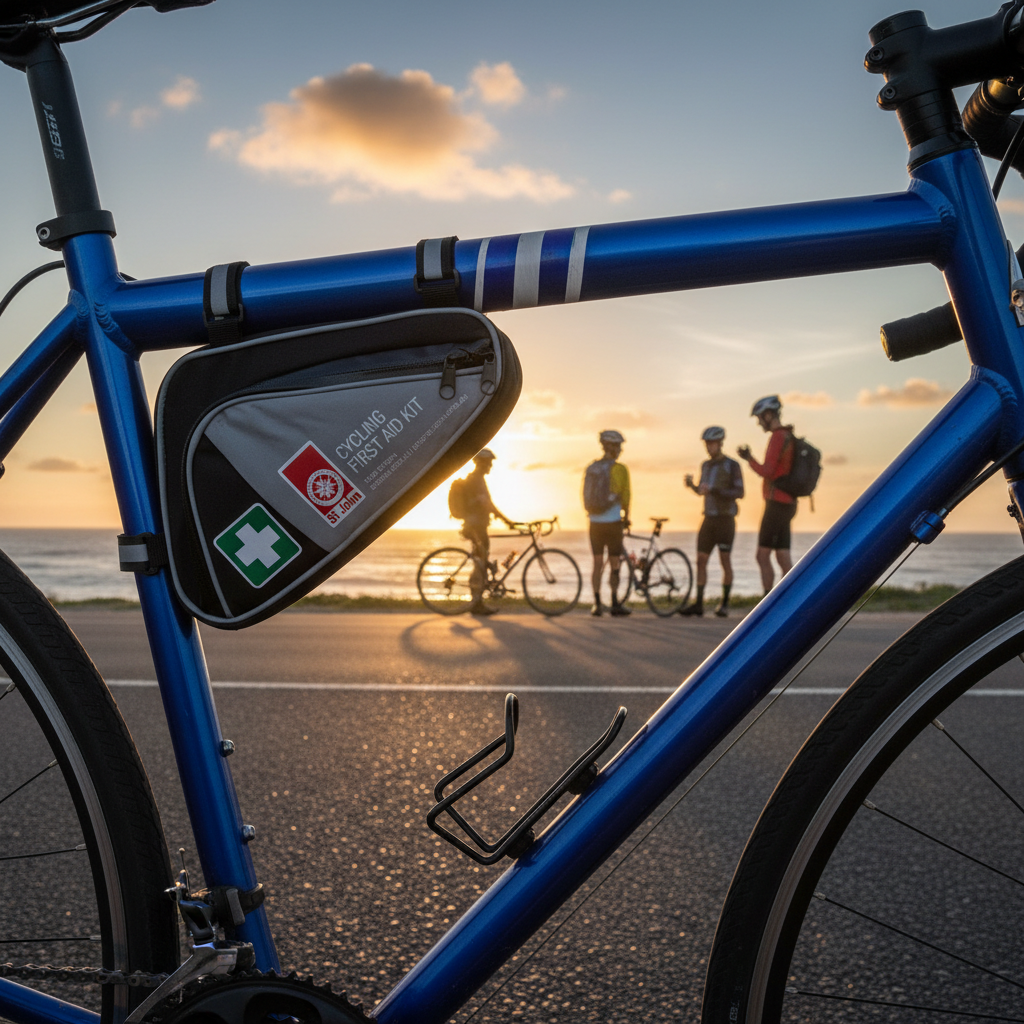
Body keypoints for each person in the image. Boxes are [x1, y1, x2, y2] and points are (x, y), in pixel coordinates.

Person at [681, 425, 744, 617]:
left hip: (725, 519)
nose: (709, 447)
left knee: (725, 560)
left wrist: (715, 491)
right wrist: (692, 486)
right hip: (708, 518)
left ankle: (724, 604)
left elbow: (739, 492)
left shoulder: (732, 465)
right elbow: (703, 490)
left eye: (712, 444)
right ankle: (698, 604)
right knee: (701, 560)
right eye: (707, 444)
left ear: (720, 443)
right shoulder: (705, 466)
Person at [737, 395, 796, 594]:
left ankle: (767, 601)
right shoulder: (788, 435)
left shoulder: (778, 437)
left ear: (769, 415)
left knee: (762, 556)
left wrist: (749, 459)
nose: (759, 422)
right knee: (782, 555)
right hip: (787, 503)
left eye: (760, 417)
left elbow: (768, 471)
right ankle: (791, 598)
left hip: (776, 504)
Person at [458, 449, 515, 616]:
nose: (490, 466)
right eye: (489, 463)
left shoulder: (477, 479)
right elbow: (487, 504)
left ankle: (477, 600)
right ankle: (476, 602)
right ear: (481, 463)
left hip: (477, 526)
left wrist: (503, 519)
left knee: (480, 561)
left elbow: (487, 504)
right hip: (476, 527)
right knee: (480, 562)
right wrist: (506, 520)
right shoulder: (476, 480)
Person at [584, 430, 631, 617]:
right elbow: (626, 496)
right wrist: (627, 517)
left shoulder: (591, 468)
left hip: (594, 523)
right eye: (618, 446)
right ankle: (614, 602)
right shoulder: (620, 469)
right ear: (613, 448)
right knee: (614, 564)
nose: (620, 450)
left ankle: (596, 604)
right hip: (613, 523)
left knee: (597, 563)